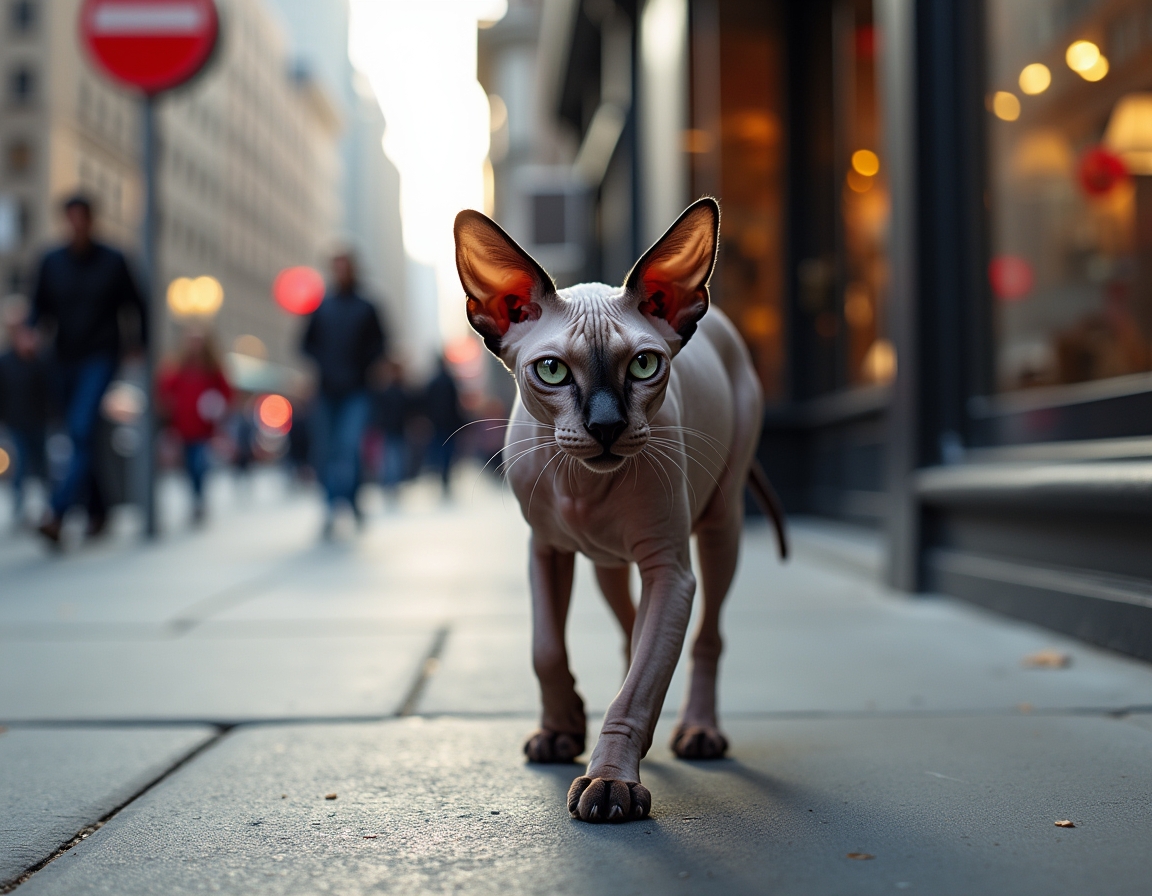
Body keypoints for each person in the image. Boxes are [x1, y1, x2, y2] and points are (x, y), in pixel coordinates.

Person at [29, 194, 147, 545]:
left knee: (80, 430)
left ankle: (57, 512)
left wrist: (138, 344)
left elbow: (137, 304)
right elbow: (39, 307)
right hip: (63, 357)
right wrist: (31, 334)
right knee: (85, 437)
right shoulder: (51, 261)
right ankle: (99, 510)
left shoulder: (113, 260)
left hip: (101, 355)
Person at [301, 251, 386, 536]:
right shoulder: (322, 307)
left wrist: (363, 367)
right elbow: (305, 344)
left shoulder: (367, 307)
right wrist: (324, 364)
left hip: (357, 390)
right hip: (326, 390)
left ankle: (350, 502)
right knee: (326, 450)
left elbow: (380, 344)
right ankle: (330, 506)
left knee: (349, 448)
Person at [157, 328, 232, 524]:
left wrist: (217, 410)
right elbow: (164, 391)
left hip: (205, 430)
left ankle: (199, 499)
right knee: (189, 467)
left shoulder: (213, 370)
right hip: (183, 428)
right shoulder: (178, 369)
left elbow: (227, 394)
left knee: (200, 464)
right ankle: (195, 499)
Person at [0, 297, 50, 525]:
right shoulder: (6, 361)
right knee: (19, 464)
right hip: (16, 421)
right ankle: (20, 508)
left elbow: (50, 389)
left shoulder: (39, 359)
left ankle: (49, 505)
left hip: (39, 420)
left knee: (42, 463)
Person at [422, 355, 464, 497]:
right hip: (449, 423)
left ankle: (440, 474)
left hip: (437, 423)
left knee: (439, 449)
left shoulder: (432, 382)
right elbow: (456, 404)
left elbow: (427, 404)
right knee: (448, 451)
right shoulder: (450, 381)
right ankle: (445, 476)